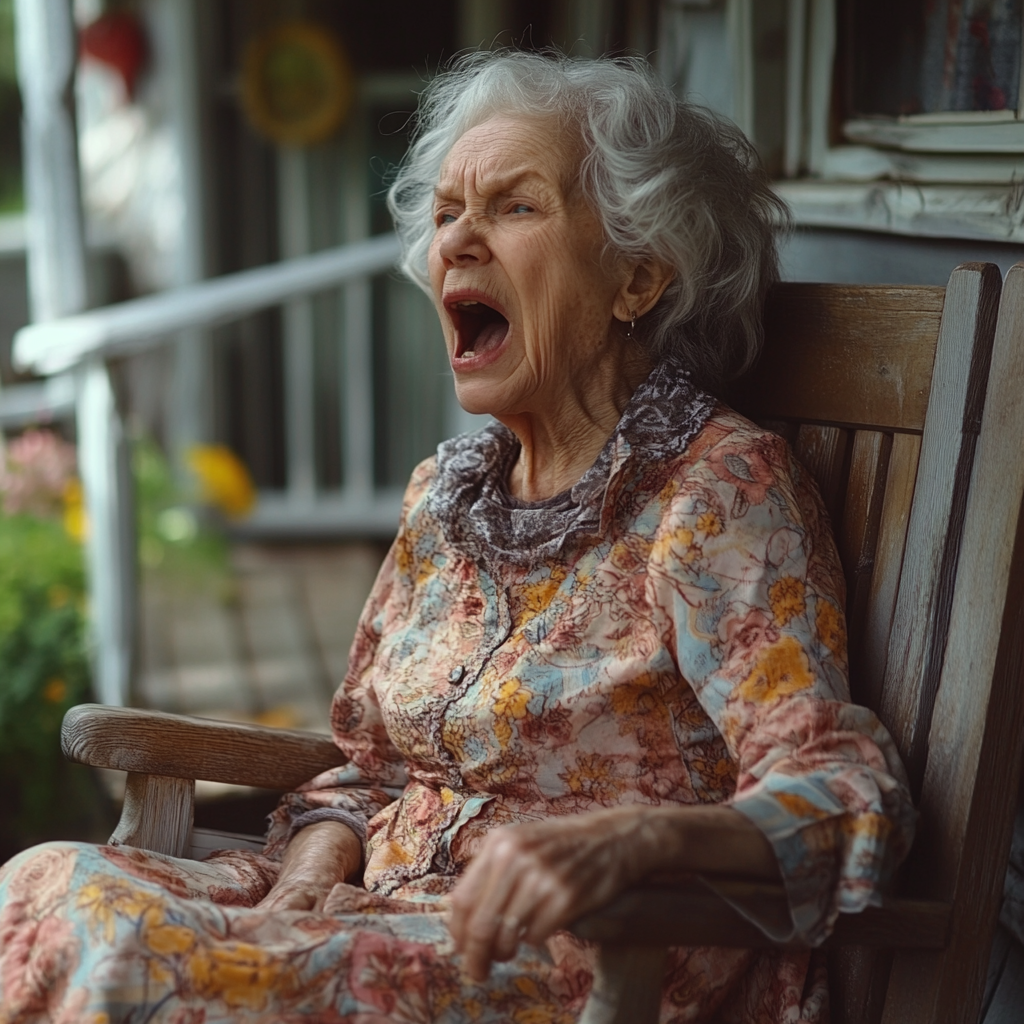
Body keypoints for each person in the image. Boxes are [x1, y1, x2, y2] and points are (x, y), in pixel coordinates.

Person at [0, 51, 915, 1023]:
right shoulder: (448, 494)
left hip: (568, 960)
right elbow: (366, 763)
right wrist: (308, 872)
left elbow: (837, 783)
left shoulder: (715, 491)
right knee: (41, 887)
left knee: (134, 964)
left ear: (637, 276)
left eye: (514, 207)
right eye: (445, 214)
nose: (459, 241)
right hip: (371, 909)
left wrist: (637, 840)